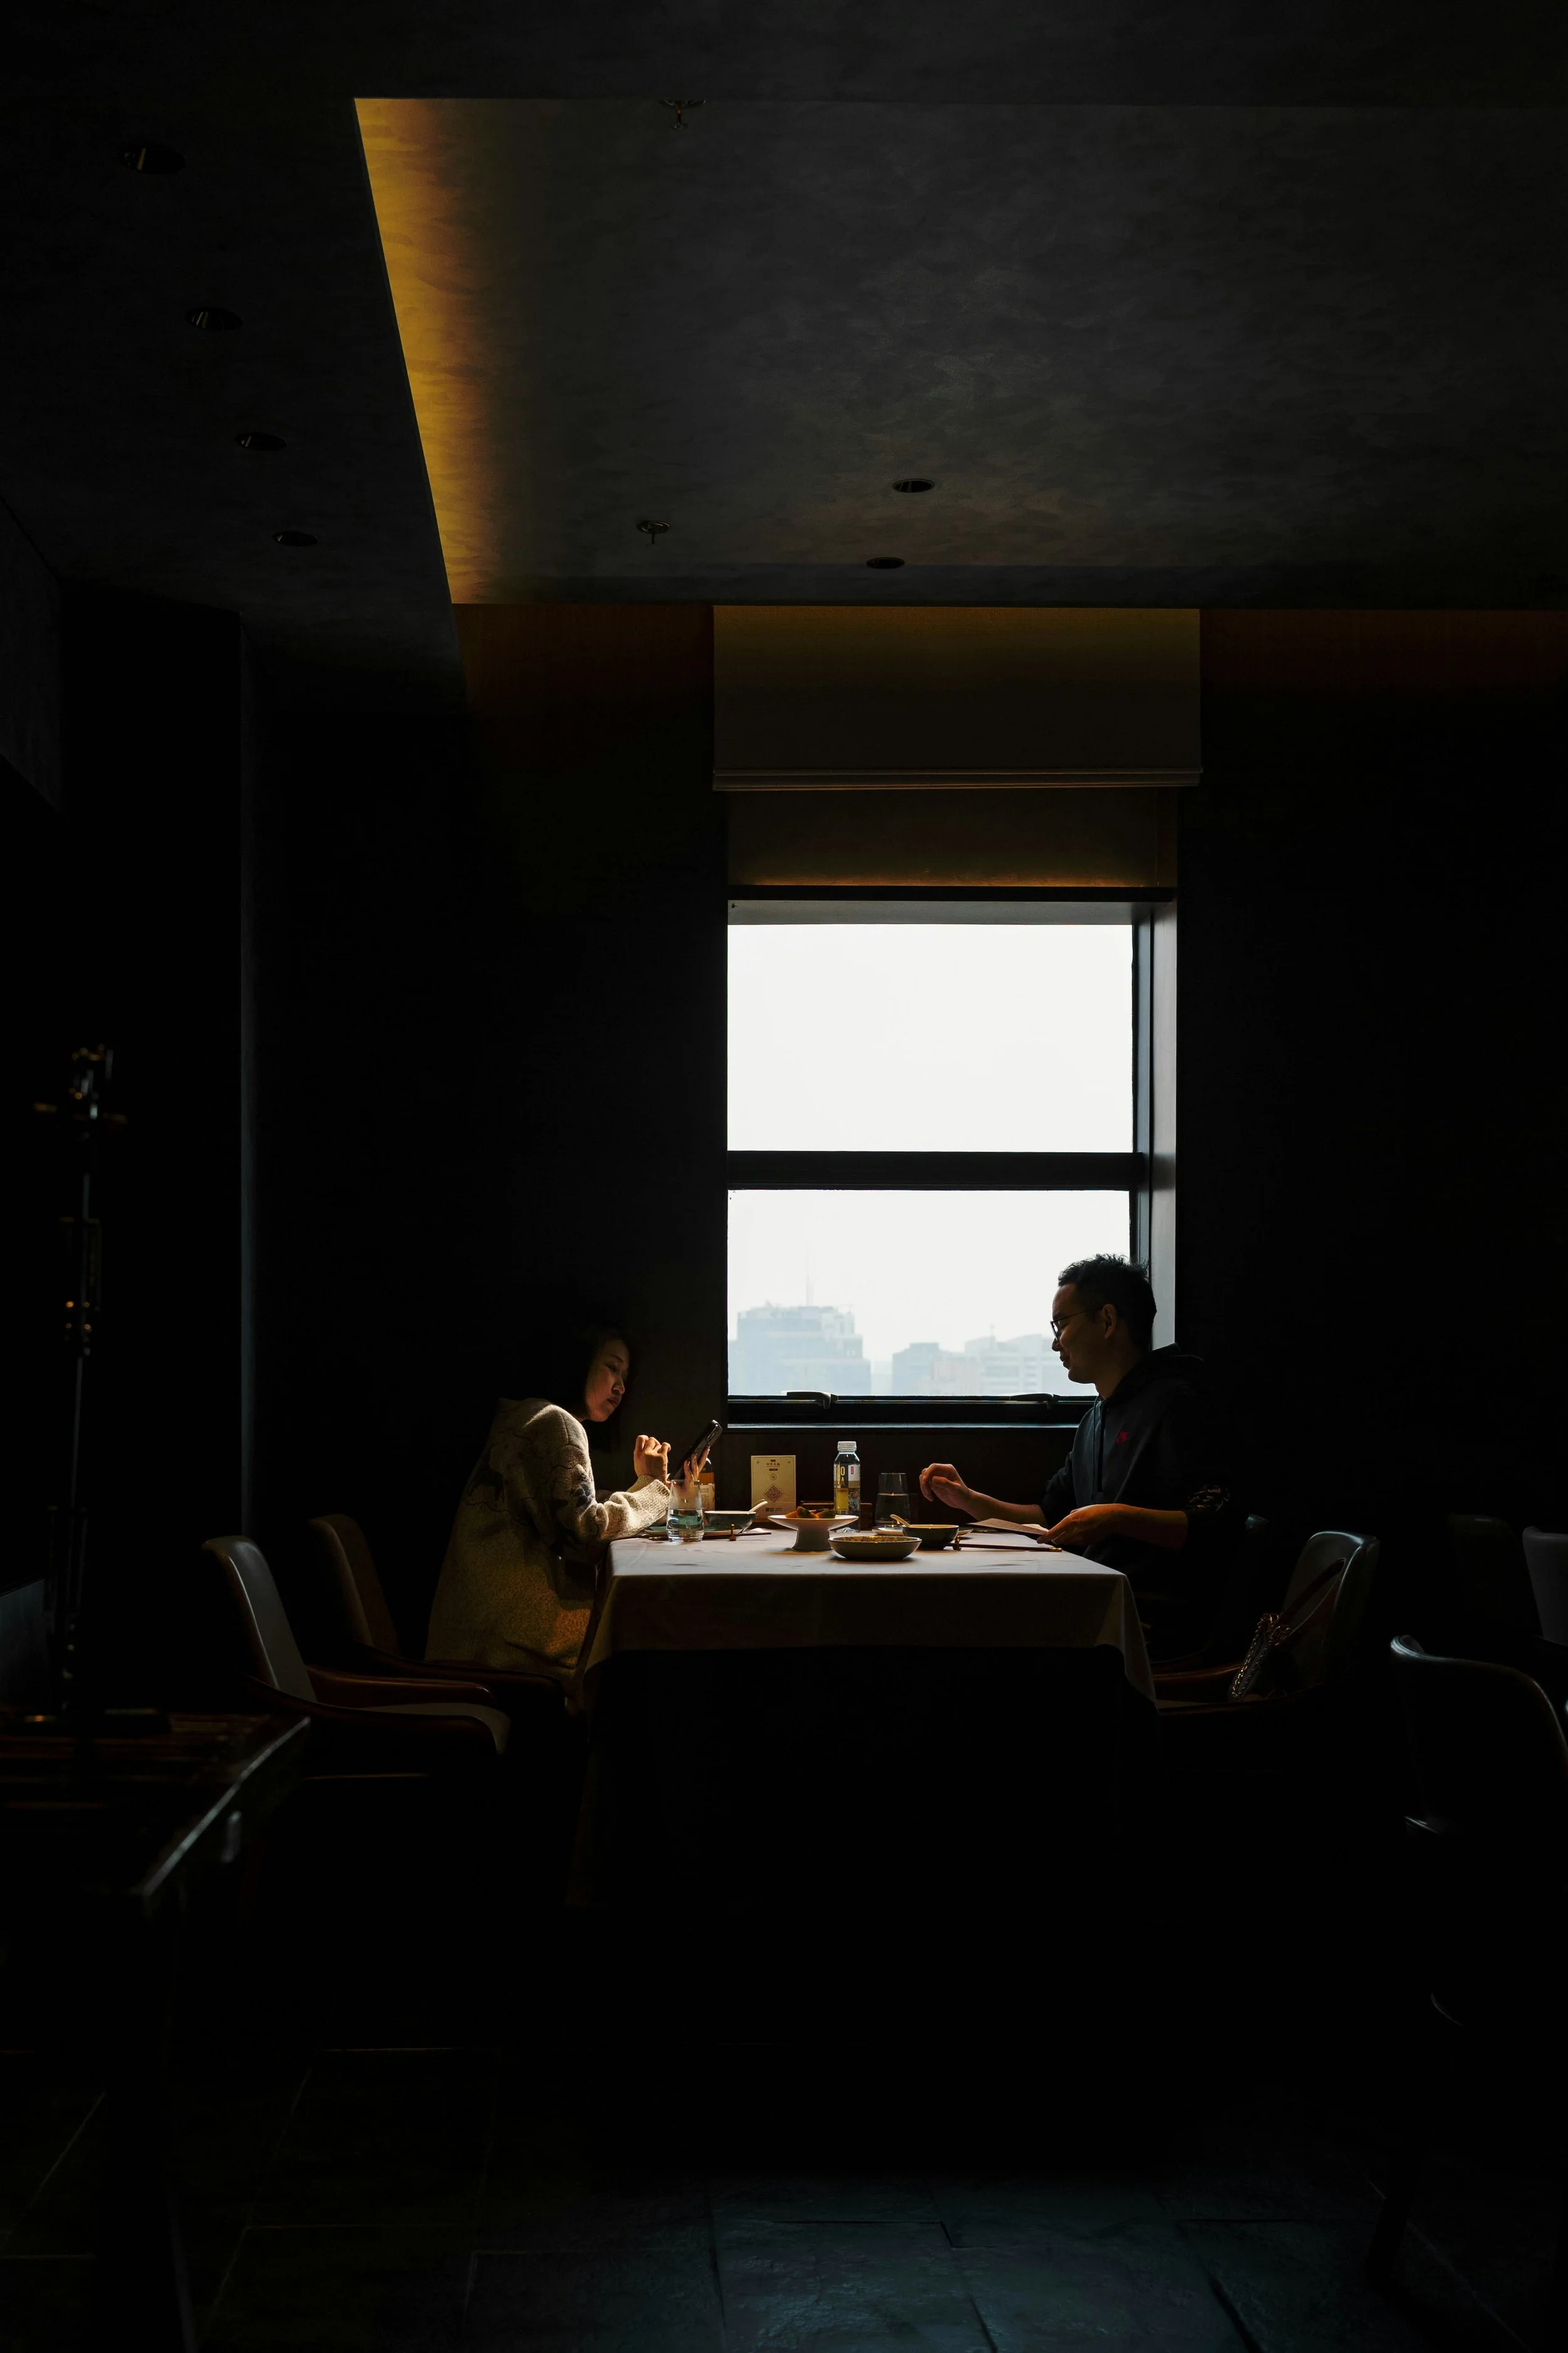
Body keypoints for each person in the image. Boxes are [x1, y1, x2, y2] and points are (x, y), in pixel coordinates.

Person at [919, 1255, 1235, 1655]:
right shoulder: (1095, 1419)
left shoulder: (1179, 1403)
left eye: (1062, 1324)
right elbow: (1048, 1517)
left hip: (1147, 1623)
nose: (1056, 1343)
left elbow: (1216, 1525)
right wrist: (967, 1499)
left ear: (1107, 1320)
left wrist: (1115, 1517)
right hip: (1095, 1602)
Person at [426, 1318, 696, 1684]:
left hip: (472, 1639)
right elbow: (585, 1535)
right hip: (509, 1657)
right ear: (579, 1361)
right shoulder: (555, 1423)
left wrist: (648, 1489)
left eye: (625, 1376)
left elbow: (563, 1512)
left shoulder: (523, 1415)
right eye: (612, 1367)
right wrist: (652, 1487)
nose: (620, 1386)